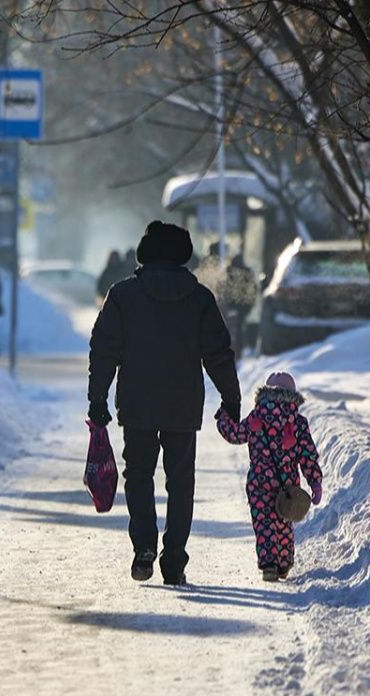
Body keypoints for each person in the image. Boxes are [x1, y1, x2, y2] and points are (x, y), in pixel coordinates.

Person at [88, 220, 241, 585]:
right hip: (183, 405)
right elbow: (218, 352)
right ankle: (174, 560)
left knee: (139, 475)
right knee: (181, 481)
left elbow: (104, 349)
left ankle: (144, 545)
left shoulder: (123, 295)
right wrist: (231, 398)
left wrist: (98, 398)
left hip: (138, 403)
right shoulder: (200, 298)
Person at [216, 371, 322, 582]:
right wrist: (315, 482)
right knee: (283, 523)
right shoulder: (298, 423)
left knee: (263, 523)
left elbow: (235, 435)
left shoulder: (257, 417)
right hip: (287, 487)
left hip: (259, 483)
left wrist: (223, 418)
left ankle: (268, 565)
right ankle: (283, 563)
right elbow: (307, 455)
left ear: (265, 394)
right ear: (292, 395)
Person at [219, 254, 258, 353]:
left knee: (232, 329)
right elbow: (253, 291)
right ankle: (238, 349)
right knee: (238, 329)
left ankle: (234, 349)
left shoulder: (230, 272)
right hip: (241, 307)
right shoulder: (247, 272)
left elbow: (224, 289)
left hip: (233, 307)